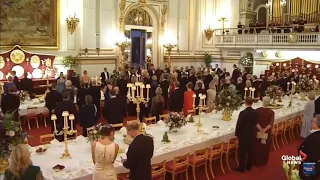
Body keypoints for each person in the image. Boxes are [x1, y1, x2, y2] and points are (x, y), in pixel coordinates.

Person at [235, 97, 258, 172]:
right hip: (251, 134)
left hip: (243, 135)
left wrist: (237, 135)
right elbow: (255, 123)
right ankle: (249, 166)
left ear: (245, 103)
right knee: (250, 151)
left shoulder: (243, 113)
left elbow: (239, 125)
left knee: (242, 152)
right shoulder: (255, 112)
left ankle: (241, 168)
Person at [253, 97, 274, 166]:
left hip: (258, 132)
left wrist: (261, 129)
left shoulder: (257, 111)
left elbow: (255, 121)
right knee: (264, 147)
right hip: (266, 133)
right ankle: (263, 161)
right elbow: (271, 123)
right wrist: (264, 130)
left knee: (257, 146)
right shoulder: (271, 112)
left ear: (262, 102)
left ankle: (256, 161)